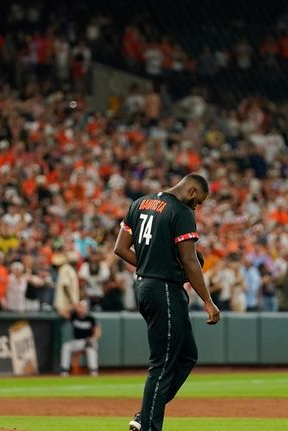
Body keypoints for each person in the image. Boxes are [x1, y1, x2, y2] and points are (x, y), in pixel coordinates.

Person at [113, 174, 220, 431]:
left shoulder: (139, 203)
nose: (197, 207)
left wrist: (151, 265)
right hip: (164, 291)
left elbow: (121, 248)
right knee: (162, 364)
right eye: (199, 202)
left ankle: (144, 416)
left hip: (145, 286)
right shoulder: (181, 211)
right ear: (192, 191)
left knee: (187, 356)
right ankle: (148, 426)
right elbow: (190, 261)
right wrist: (208, 300)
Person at [59, 300, 101, 377]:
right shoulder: (74, 316)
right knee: (66, 346)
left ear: (86, 308)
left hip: (88, 340)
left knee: (91, 347)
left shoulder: (90, 318)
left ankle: (93, 370)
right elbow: (62, 313)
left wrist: (93, 339)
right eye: (79, 306)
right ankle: (64, 370)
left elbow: (97, 332)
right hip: (77, 342)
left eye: (82, 307)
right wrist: (72, 306)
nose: (80, 308)